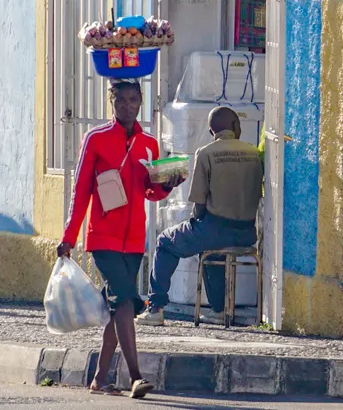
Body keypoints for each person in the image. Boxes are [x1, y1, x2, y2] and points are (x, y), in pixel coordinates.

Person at [58, 80, 184, 398]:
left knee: (118, 308)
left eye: (133, 100)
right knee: (125, 300)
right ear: (111, 102)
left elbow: (151, 193)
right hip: (102, 238)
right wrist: (69, 238)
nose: (127, 106)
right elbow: (82, 190)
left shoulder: (149, 144)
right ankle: (136, 376)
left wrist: (168, 183)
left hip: (134, 241)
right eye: (121, 100)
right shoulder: (96, 139)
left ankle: (100, 378)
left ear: (141, 102)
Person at [137, 106, 263, 326]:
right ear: (235, 125)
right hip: (246, 233)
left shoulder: (205, 153)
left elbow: (199, 204)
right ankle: (218, 310)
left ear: (211, 130)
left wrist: (197, 222)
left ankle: (155, 308)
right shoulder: (254, 153)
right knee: (212, 253)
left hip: (215, 229)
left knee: (165, 242)